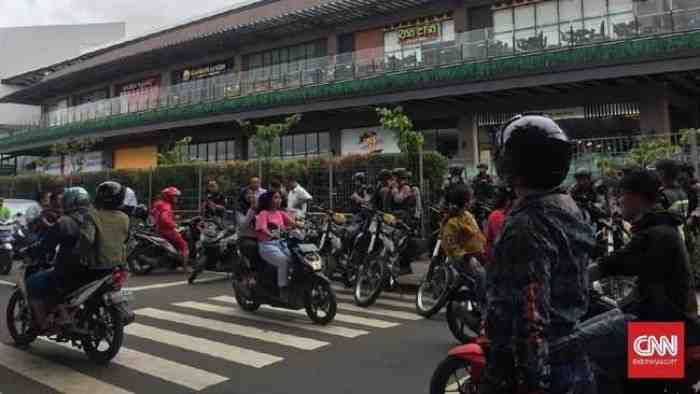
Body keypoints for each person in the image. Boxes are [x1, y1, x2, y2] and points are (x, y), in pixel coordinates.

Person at [480, 114, 596, 394]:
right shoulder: (568, 207)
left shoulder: (525, 225)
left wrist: (531, 382)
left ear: (510, 163)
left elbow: (531, 320)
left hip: (542, 369)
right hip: (573, 357)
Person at [26, 184, 129, 331]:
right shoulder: (123, 217)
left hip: (78, 270)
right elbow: (125, 240)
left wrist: (79, 254)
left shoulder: (70, 221)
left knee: (33, 282)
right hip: (110, 269)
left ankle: (43, 324)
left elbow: (83, 241)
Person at [440, 183, 486, 304]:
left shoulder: (469, 216)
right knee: (481, 276)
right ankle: (484, 308)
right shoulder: (451, 222)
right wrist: (468, 257)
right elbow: (451, 248)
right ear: (466, 203)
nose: (474, 201)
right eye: (472, 198)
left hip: (478, 255)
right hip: (463, 259)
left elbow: (478, 235)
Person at [255, 191, 301, 302]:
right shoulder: (263, 213)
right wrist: (272, 234)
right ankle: (282, 289)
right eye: (276, 197)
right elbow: (262, 228)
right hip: (267, 245)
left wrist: (304, 226)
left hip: (282, 243)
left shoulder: (280, 213)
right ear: (269, 200)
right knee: (283, 261)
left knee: (297, 259)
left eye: (279, 197)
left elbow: (293, 223)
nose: (279, 200)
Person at [151, 187, 190, 272]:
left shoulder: (158, 204)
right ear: (169, 197)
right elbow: (165, 218)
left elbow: (154, 214)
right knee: (184, 246)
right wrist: (174, 225)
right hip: (167, 230)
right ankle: (185, 268)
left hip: (159, 229)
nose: (176, 198)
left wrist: (173, 218)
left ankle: (173, 263)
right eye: (174, 196)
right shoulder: (167, 206)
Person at [483, 185, 515, 263]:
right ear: (508, 200)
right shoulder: (497, 215)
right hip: (499, 259)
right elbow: (501, 240)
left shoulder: (511, 213)